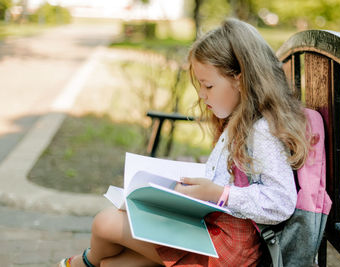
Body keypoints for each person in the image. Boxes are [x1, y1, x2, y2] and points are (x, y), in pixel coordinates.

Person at [59, 18, 310, 267]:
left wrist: (219, 194)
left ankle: (81, 263)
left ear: (240, 79)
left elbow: (280, 202)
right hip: (213, 229)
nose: (201, 94)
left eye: (208, 85)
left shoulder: (261, 130)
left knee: (106, 223)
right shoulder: (240, 119)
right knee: (114, 264)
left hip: (227, 246)